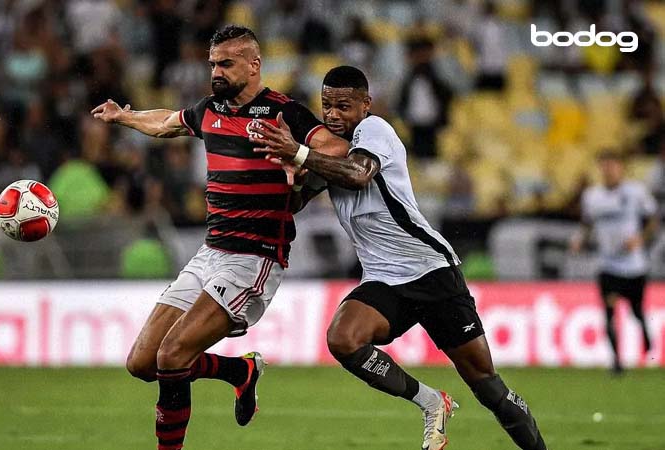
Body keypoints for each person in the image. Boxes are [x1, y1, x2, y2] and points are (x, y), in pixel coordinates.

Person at [252, 66, 547, 450]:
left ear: (366, 105)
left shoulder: (375, 132)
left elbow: (358, 174)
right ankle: (430, 402)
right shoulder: (329, 152)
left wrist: (301, 153)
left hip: (430, 269)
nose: (333, 115)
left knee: (486, 384)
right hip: (383, 278)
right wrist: (292, 173)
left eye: (343, 106)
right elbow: (294, 202)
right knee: (343, 339)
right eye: (327, 106)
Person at [90, 25, 346, 450]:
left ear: (254, 64)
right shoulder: (209, 110)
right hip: (210, 252)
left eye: (226, 64)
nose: (216, 72)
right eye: (213, 64)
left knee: (172, 356)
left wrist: (297, 155)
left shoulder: (284, 113)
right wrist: (125, 117)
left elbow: (336, 149)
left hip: (255, 257)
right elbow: (168, 123)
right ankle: (239, 372)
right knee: (142, 362)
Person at [570, 151, 657, 374]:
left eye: (613, 166)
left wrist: (641, 239)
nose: (609, 170)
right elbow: (587, 223)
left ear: (621, 168)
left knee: (636, 310)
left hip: (634, 265)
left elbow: (653, 220)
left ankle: (645, 331)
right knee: (609, 310)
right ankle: (616, 361)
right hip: (607, 265)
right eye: (605, 166)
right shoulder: (592, 196)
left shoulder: (636, 192)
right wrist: (580, 240)